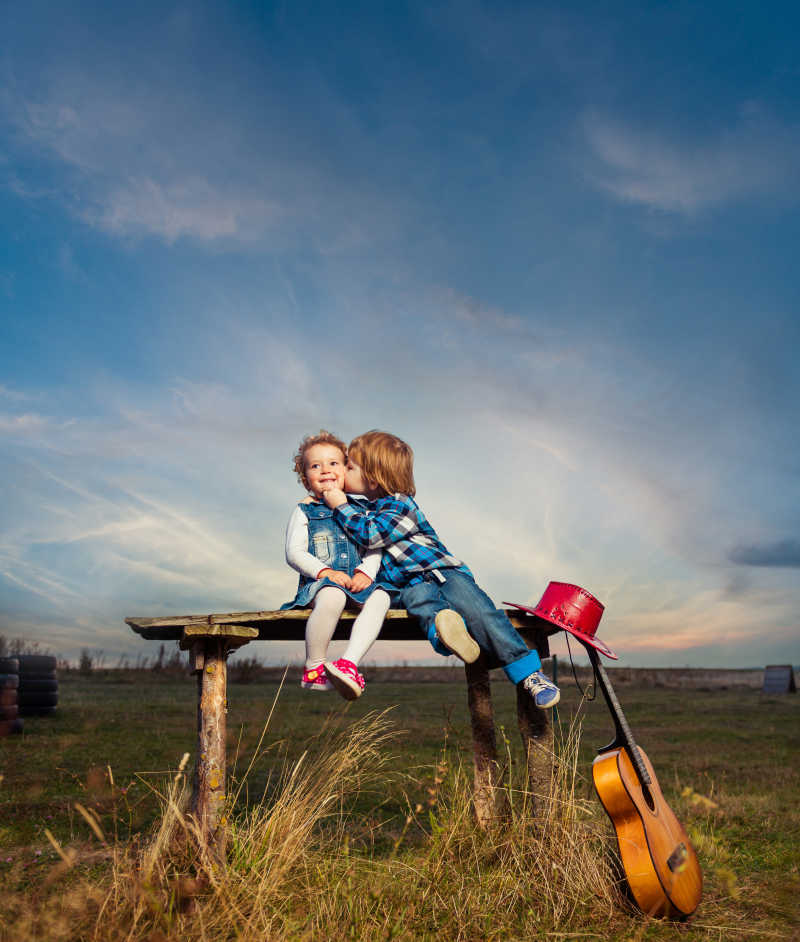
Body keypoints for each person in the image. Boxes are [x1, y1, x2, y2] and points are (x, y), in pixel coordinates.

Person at [321, 430, 560, 708]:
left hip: (442, 572)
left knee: (482, 614)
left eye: (349, 466)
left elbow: (371, 535)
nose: (342, 471)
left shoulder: (399, 504)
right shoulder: (360, 509)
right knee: (424, 608)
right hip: (409, 585)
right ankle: (447, 637)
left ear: (373, 477)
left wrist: (339, 505)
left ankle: (529, 674)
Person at [281, 430, 392, 700]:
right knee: (332, 596)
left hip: (357, 583)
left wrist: (365, 572)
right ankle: (314, 667)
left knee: (382, 597)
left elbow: (373, 544)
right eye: (315, 465)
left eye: (333, 463)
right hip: (320, 584)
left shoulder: (362, 509)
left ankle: (348, 663)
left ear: (346, 470)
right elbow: (293, 553)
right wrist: (325, 572)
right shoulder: (304, 510)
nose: (325, 470)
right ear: (306, 479)